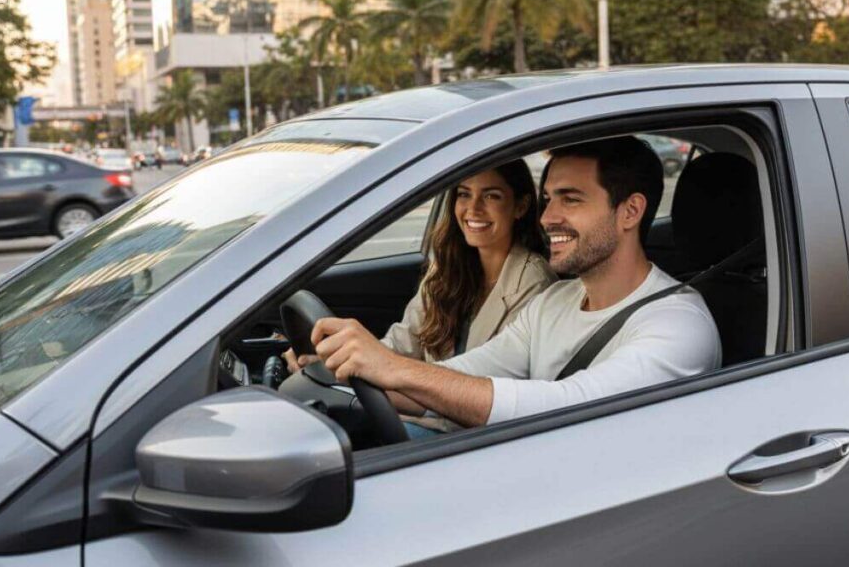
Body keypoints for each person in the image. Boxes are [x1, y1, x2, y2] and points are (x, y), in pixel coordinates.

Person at [305, 137, 721, 435]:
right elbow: (454, 378)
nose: (547, 218)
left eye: (571, 200)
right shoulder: (556, 302)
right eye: (549, 199)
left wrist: (393, 367)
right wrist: (345, 372)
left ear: (630, 211)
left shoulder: (677, 324)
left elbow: (569, 409)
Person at [288, 161, 555, 428]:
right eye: (464, 194)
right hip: (420, 417)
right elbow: (401, 343)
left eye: (491, 196)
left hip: (462, 435)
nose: (473, 208)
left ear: (520, 206)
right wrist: (332, 365)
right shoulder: (448, 266)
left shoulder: (533, 282)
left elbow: (488, 393)